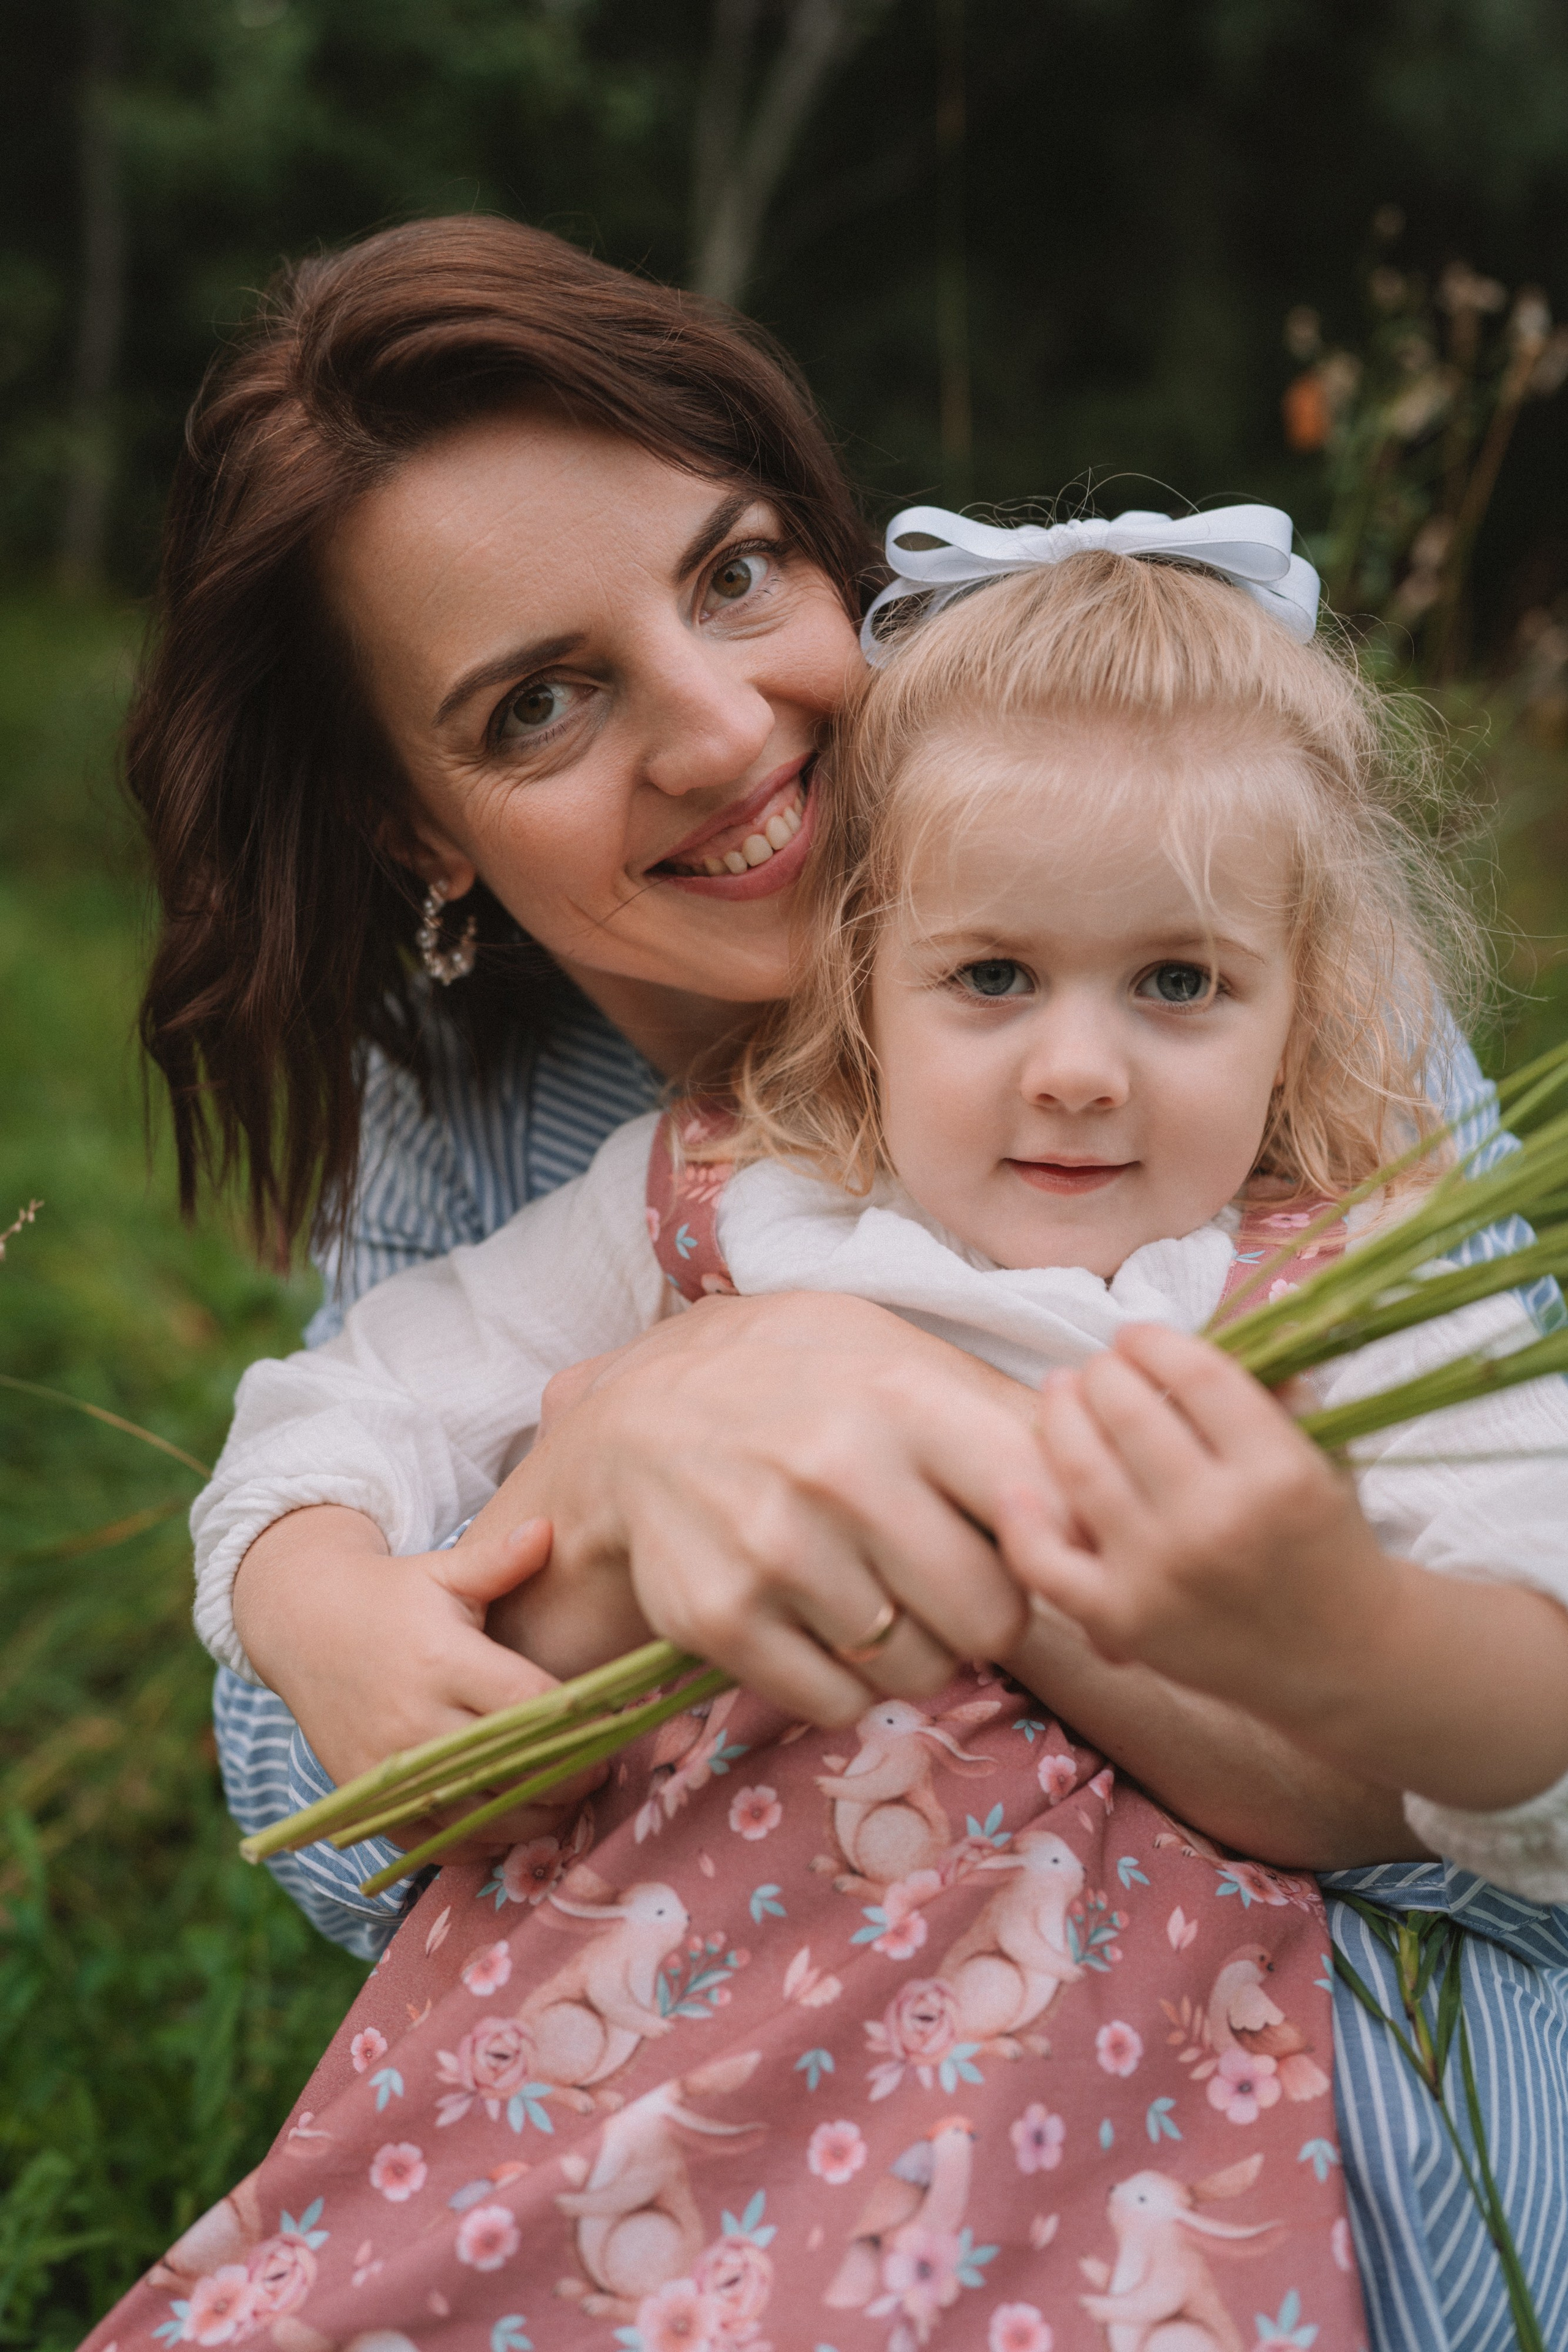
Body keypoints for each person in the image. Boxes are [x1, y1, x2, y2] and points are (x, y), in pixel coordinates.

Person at [111, 216, 1564, 2346]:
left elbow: (1516, 1770)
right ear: (416, 826)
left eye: (734, 573)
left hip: (1179, 2107)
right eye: (538, 703)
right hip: (667, 2063)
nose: (722, 732)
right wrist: (546, 1505)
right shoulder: (608, 1155)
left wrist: (990, 1496)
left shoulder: (1250, 995)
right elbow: (353, 1789)